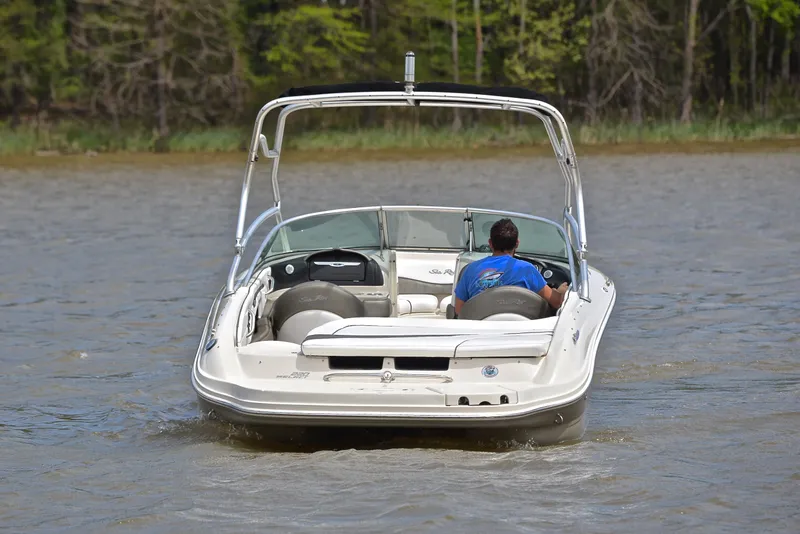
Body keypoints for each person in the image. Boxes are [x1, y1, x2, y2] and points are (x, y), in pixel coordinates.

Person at [454, 218, 569, 316]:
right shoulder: (526, 270)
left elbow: (459, 310)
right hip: (518, 334)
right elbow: (557, 302)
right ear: (517, 243)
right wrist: (560, 291)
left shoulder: (471, 270)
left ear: (490, 243)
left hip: (481, 334)